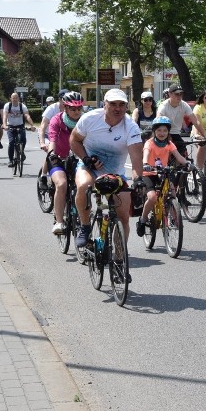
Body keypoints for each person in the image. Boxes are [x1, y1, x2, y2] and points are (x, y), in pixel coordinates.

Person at [71, 89, 143, 281]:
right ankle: (85, 227)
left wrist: (138, 180)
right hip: (89, 167)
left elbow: (136, 158)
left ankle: (119, 262)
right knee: (84, 186)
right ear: (105, 104)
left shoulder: (131, 127)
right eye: (113, 104)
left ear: (126, 106)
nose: (117, 108)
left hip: (115, 173)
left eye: (121, 105)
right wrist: (86, 158)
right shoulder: (90, 119)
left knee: (124, 218)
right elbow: (74, 140)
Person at [136, 116, 193, 236]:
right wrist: (146, 164)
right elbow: (146, 154)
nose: (162, 133)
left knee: (172, 192)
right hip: (149, 173)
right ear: (154, 131)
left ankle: (174, 217)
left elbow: (179, 157)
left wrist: (187, 163)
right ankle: (143, 220)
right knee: (152, 197)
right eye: (159, 130)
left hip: (163, 173)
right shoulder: (149, 143)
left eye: (165, 131)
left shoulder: (169, 144)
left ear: (168, 132)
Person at [46, 92, 85, 235]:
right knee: (62, 184)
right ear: (65, 108)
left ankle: (85, 211)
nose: (76, 112)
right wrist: (51, 154)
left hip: (78, 159)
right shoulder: (56, 120)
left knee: (85, 185)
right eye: (73, 109)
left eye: (79, 109)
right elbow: (52, 139)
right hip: (59, 158)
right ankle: (59, 221)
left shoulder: (85, 121)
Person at [155, 84, 206, 161]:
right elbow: (158, 122)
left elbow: (195, 122)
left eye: (181, 94)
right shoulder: (163, 106)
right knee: (164, 153)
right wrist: (164, 135)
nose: (179, 96)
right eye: (176, 94)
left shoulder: (184, 105)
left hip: (176, 133)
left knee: (183, 153)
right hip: (164, 133)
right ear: (170, 94)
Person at [38, 89, 68, 189]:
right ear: (59, 100)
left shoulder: (72, 108)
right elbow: (42, 126)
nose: (65, 102)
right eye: (63, 100)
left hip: (64, 136)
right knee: (51, 153)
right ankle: (43, 176)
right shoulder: (51, 109)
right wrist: (42, 142)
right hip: (48, 135)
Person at [2, 92, 35, 167]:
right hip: (10, 126)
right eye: (13, 98)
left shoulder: (22, 106)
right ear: (10, 99)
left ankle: (21, 151)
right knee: (11, 142)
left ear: (18, 99)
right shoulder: (8, 105)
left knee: (23, 139)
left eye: (16, 98)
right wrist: (4, 125)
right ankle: (10, 160)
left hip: (20, 126)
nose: (14, 99)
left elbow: (27, 115)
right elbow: (5, 116)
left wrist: (32, 125)